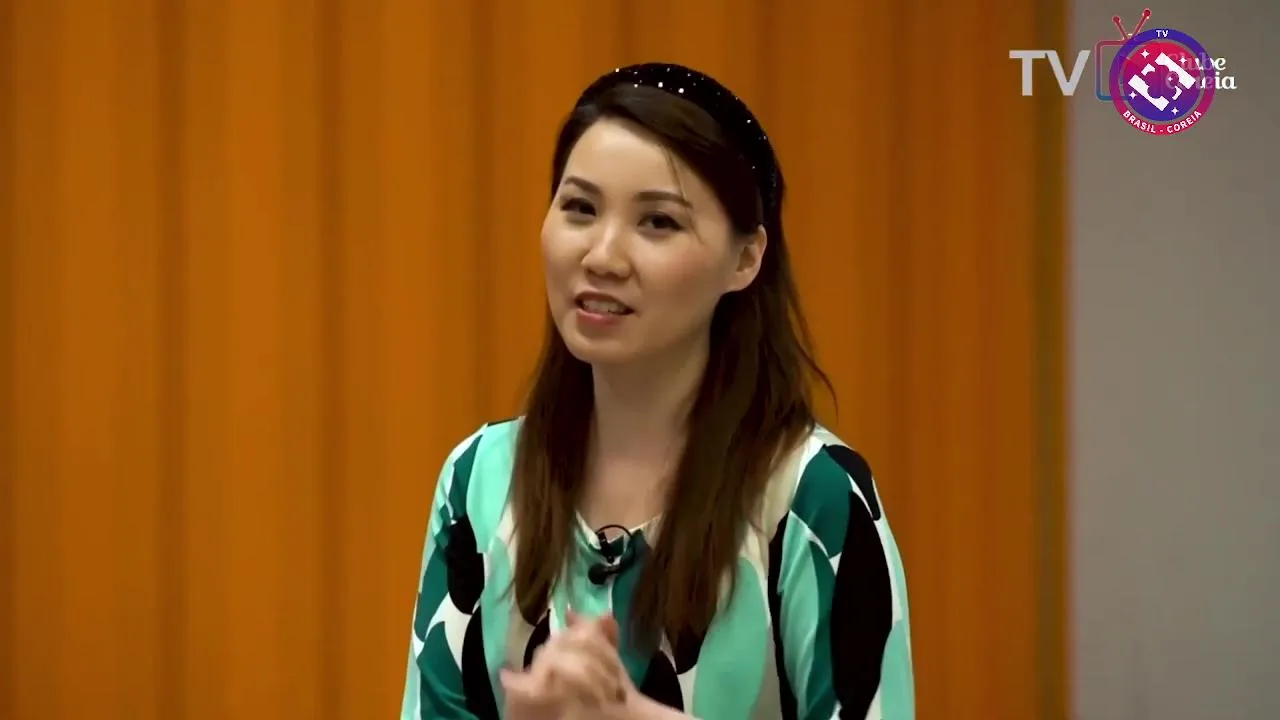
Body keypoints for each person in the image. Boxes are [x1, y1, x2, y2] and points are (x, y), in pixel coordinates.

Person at [399, 62, 914, 720]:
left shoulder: (814, 498)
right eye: (580, 209)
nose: (602, 256)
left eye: (658, 223)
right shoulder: (478, 481)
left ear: (745, 258)